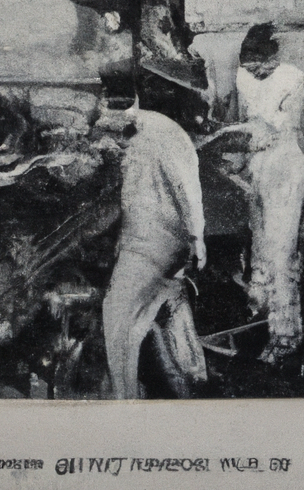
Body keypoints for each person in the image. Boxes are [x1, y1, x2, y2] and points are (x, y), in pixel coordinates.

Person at [101, 103, 207, 399]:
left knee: (116, 312)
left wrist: (197, 236)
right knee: (126, 316)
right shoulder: (142, 132)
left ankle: (124, 400)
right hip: (141, 240)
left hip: (155, 242)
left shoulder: (160, 134)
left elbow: (186, 187)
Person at [234, 22, 304, 364]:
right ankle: (259, 312)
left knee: (282, 250)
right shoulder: (243, 77)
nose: (255, 70)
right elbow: (243, 116)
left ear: (275, 57)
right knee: (260, 245)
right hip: (258, 166)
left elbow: (299, 125)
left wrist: (268, 131)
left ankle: (287, 333)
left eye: (261, 63)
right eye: (249, 64)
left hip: (289, 164)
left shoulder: (296, 77)